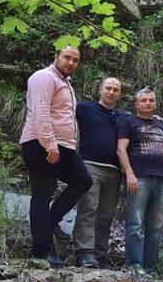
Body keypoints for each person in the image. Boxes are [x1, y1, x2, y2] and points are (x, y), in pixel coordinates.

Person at [19, 46, 92, 268]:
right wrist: (49, 144)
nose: (71, 63)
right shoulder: (43, 77)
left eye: (75, 60)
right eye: (67, 58)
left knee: (83, 180)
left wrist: (70, 146)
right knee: (42, 193)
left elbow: (64, 117)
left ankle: (50, 220)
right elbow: (40, 111)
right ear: (56, 57)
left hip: (63, 146)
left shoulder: (65, 83)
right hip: (40, 144)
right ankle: (41, 252)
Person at [72, 77, 127, 268]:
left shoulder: (123, 117)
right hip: (90, 165)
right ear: (100, 89)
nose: (111, 92)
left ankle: (100, 254)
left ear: (119, 94)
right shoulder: (84, 108)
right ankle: (84, 252)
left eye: (116, 90)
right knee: (88, 208)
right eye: (108, 88)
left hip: (114, 171)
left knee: (106, 214)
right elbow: (62, 113)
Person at [116, 87, 163, 275]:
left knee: (155, 225)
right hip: (138, 177)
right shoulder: (129, 122)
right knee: (135, 222)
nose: (147, 103)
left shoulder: (162, 125)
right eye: (143, 100)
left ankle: (151, 267)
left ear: (155, 103)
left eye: (151, 100)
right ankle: (134, 265)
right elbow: (121, 150)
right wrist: (129, 174)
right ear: (136, 103)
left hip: (160, 179)